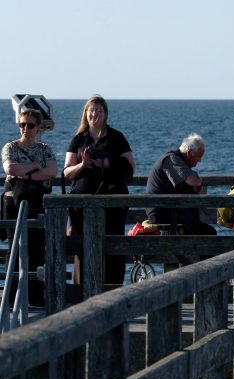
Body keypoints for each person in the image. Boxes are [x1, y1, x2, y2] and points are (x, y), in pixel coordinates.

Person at [62, 95, 135, 285]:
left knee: (113, 245)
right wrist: (84, 165)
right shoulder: (78, 140)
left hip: (113, 201)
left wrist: (103, 162)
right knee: (82, 246)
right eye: (91, 110)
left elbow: (130, 168)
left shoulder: (116, 137)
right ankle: (82, 291)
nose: (94, 114)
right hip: (82, 201)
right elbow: (67, 172)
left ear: (105, 114)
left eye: (99, 110)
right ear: (86, 114)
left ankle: (112, 290)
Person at [2, 108, 58, 305]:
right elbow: (9, 168)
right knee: (14, 247)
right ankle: (10, 295)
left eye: (30, 125)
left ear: (39, 127)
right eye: (22, 124)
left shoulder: (45, 149)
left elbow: (51, 171)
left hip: (37, 203)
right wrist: (36, 168)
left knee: (36, 248)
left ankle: (34, 294)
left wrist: (25, 172)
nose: (25, 128)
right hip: (13, 203)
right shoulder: (10, 147)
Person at [145, 134, 214, 235]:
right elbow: (193, 180)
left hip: (172, 212)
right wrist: (199, 180)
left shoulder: (179, 161)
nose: (199, 161)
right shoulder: (171, 159)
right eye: (199, 157)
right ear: (190, 153)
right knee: (208, 233)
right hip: (163, 215)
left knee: (208, 231)